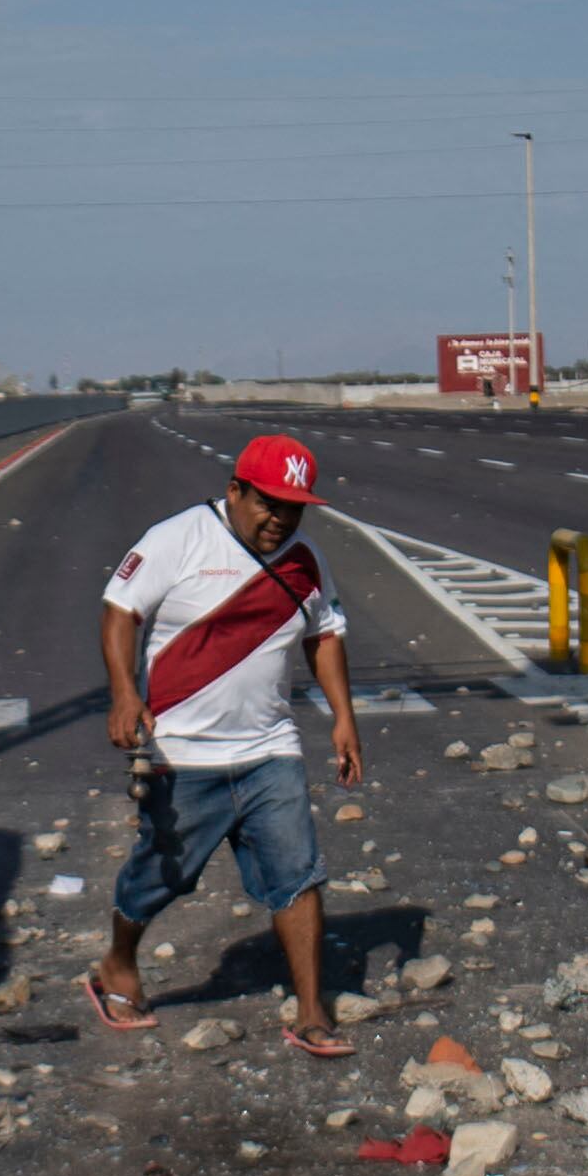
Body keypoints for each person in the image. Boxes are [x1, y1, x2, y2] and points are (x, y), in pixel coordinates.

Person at [89, 430, 367, 1058]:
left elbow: (325, 636)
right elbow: (119, 611)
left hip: (271, 750)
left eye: (293, 507)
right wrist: (125, 693)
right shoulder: (178, 538)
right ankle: (117, 964)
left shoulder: (307, 560)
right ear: (235, 490)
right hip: (182, 755)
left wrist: (343, 718)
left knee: (298, 875)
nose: (280, 519)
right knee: (160, 878)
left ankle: (311, 1011)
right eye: (269, 503)